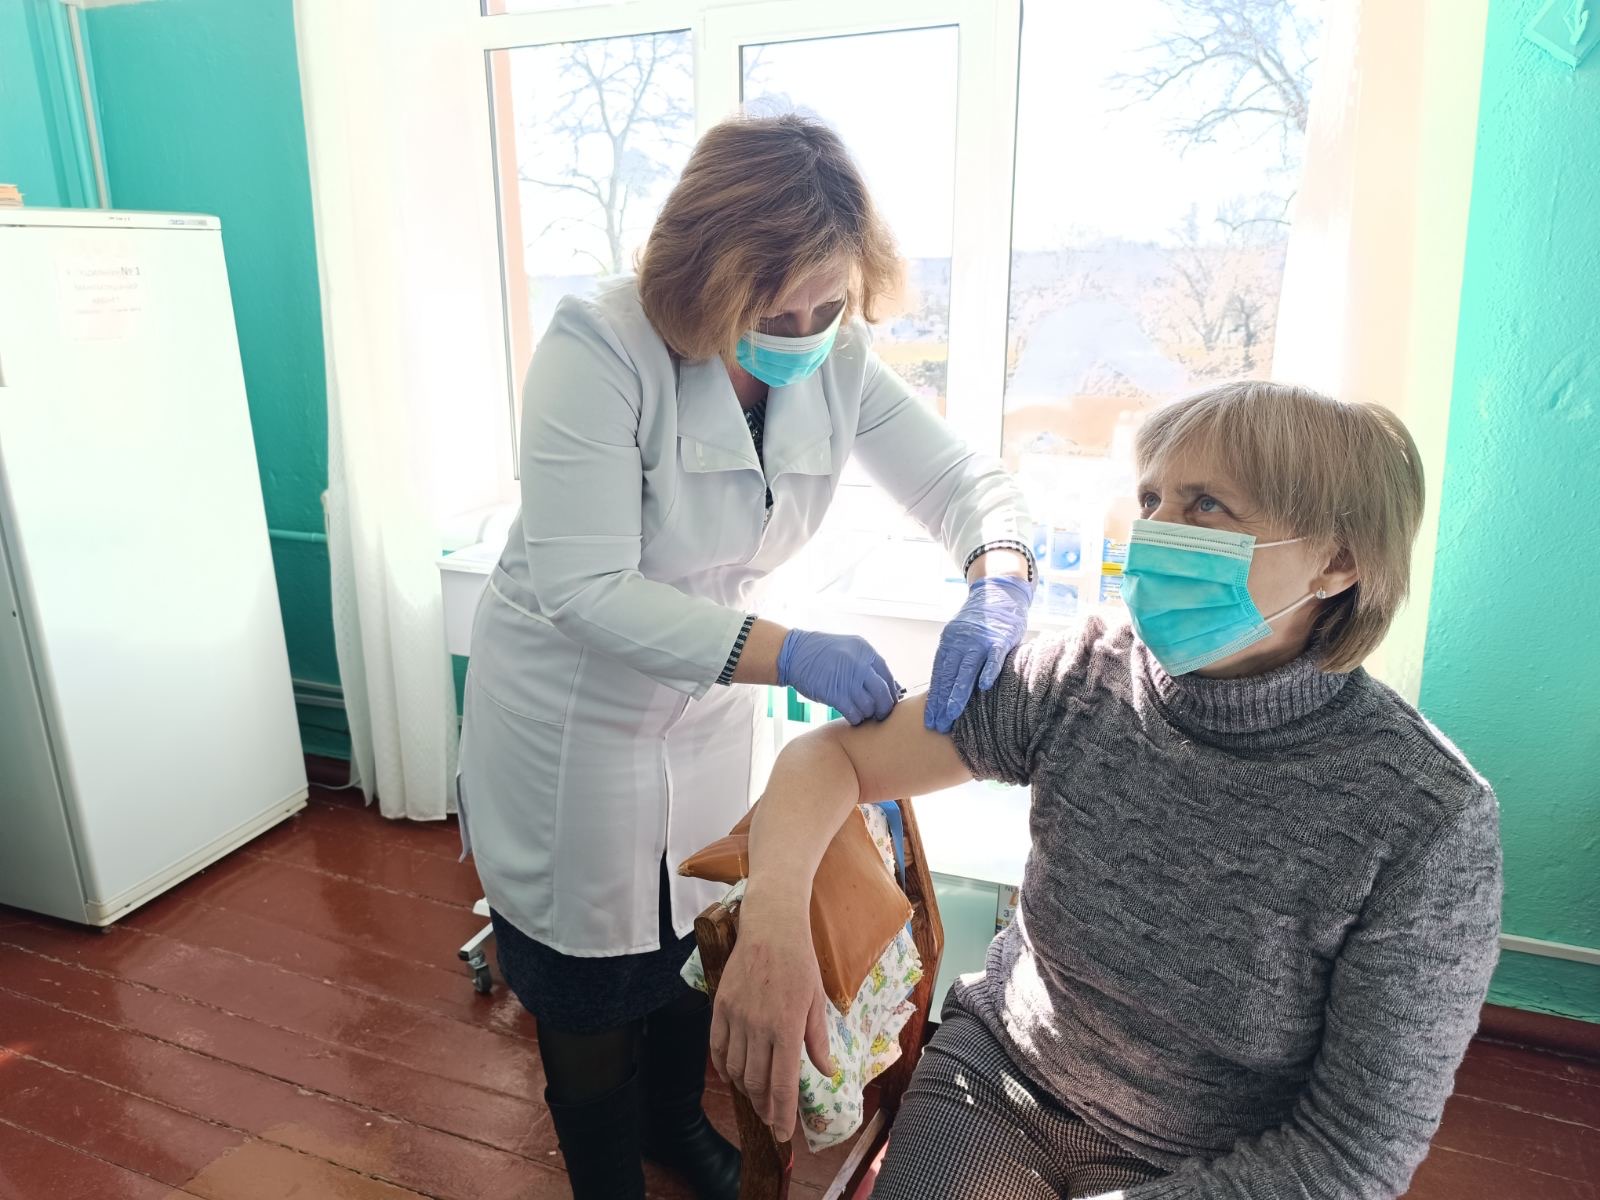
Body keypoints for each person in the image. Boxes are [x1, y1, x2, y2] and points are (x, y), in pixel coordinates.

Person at [711, 382, 1503, 1200]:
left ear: (1337, 561)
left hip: (1212, 1161)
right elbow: (829, 760)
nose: (1156, 533)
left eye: (1205, 505)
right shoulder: (1084, 672)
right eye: (1152, 499)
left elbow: (1352, 1156)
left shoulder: (1424, 818)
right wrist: (773, 926)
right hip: (1005, 1079)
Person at [455, 112, 1036, 1200]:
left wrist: (998, 574)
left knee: (697, 932)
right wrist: (792, 652)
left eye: (828, 306)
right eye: (777, 313)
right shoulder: (599, 347)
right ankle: (604, 1176)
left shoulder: (835, 357)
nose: (806, 333)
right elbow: (585, 588)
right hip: (574, 714)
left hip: (713, 698)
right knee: (588, 978)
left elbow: (965, 483)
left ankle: (676, 1124)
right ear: (707, 279)